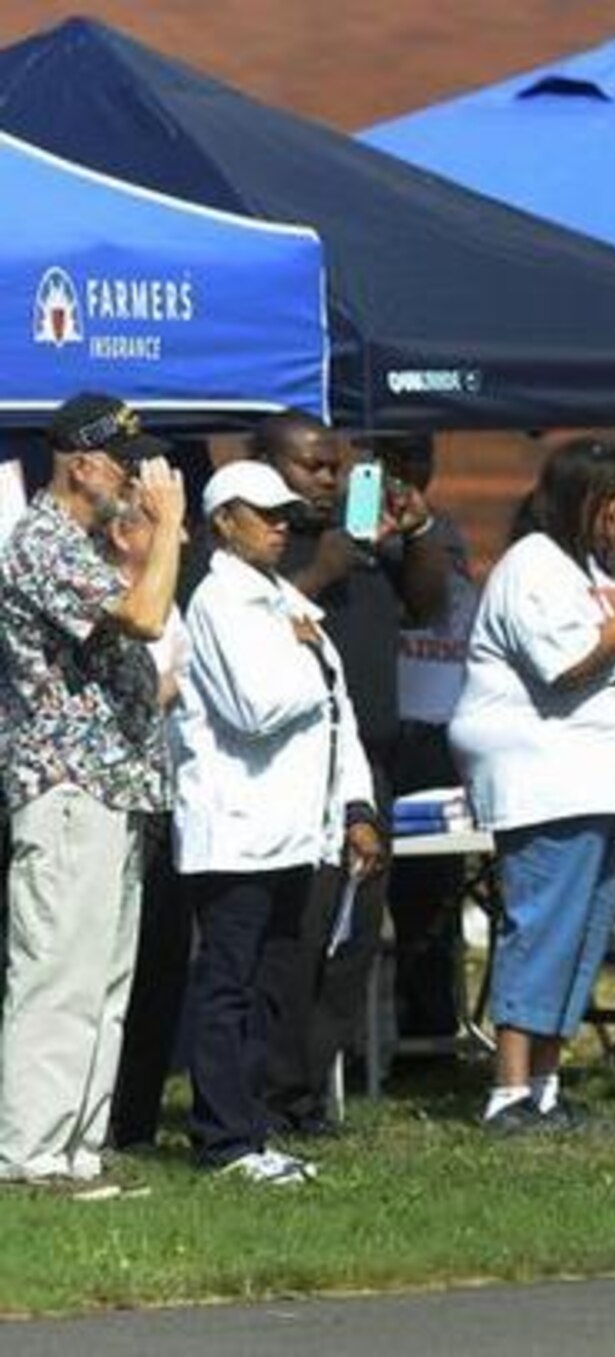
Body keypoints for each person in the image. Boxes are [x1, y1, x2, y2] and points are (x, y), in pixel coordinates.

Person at [449, 438, 615, 1133]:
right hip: (549, 779)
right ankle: (508, 1091)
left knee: (583, 935)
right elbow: (565, 663)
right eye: (613, 494)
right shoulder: (532, 565)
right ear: (578, 499)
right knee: (544, 926)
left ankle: (545, 1085)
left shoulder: (593, 572)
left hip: (601, 781)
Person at [173, 460, 385, 1182]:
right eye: (263, 513)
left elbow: (340, 713)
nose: (280, 525)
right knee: (228, 982)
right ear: (222, 520)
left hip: (294, 827)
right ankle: (222, 1137)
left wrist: (356, 806)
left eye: (284, 513)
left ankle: (255, 1128)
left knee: (274, 983)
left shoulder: (282, 600)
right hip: (236, 828)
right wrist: (306, 663)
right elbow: (255, 709)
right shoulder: (217, 600)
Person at [0, 393, 184, 1185]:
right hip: (68, 786)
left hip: (111, 787)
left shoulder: (83, 545)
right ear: (83, 461)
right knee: (57, 975)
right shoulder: (43, 540)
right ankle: (30, 1151)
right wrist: (169, 526)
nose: (140, 479)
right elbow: (146, 616)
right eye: (127, 462)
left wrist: (146, 539)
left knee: (104, 981)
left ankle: (76, 1148)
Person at [253, 411, 448, 1131]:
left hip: (372, 767)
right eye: (312, 466)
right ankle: (270, 1094)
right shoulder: (262, 548)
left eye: (336, 466)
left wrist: (419, 534)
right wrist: (319, 570)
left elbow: (426, 606)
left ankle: (309, 1095)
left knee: (354, 939)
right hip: (298, 772)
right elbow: (246, 639)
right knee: (299, 938)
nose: (330, 479)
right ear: (268, 465)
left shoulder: (366, 540)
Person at [379, 433, 480, 1048]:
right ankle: (365, 1033)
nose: (409, 473)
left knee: (433, 896)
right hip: (387, 729)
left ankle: (431, 1024)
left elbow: (438, 602)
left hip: (440, 736)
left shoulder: (440, 533)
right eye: (394, 458)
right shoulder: (357, 538)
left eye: (420, 458)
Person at [104, 498, 195, 1153]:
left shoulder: (175, 605)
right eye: (165, 523)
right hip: (108, 805)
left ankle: (133, 1120)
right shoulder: (104, 597)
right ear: (123, 532)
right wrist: (164, 685)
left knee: (160, 967)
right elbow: (144, 692)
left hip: (167, 802)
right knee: (100, 969)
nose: (181, 536)